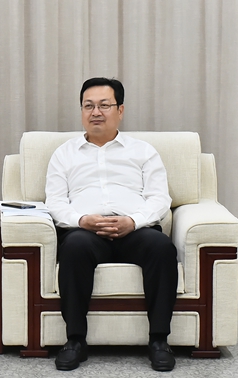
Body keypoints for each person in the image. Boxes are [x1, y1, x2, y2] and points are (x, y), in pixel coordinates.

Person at [45, 77, 178, 372]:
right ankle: (75, 341)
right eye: (88, 106)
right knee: (74, 246)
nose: (96, 112)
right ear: (81, 110)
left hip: (136, 231)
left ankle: (159, 340)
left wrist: (133, 221)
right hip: (86, 233)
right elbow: (54, 202)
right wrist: (82, 220)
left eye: (104, 105)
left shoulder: (143, 151)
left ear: (120, 110)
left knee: (162, 247)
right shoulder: (64, 154)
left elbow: (160, 198)